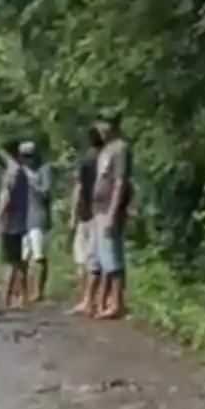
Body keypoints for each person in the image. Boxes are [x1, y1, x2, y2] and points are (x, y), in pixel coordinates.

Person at [88, 111, 130, 319]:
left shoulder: (120, 149)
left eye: (103, 126)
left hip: (108, 209)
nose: (100, 130)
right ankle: (103, 301)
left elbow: (120, 182)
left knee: (112, 257)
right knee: (100, 257)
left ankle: (118, 304)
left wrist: (113, 213)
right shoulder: (106, 149)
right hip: (98, 208)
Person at [0, 140, 29, 309]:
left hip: (10, 223)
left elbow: (6, 199)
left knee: (11, 263)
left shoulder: (12, 173)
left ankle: (6, 299)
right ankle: (22, 297)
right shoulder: (21, 172)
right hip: (19, 221)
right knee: (18, 262)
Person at [68, 127, 104, 315]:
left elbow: (79, 189)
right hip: (103, 214)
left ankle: (87, 299)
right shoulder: (107, 159)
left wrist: (73, 215)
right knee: (100, 258)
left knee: (83, 259)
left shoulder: (86, 161)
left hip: (86, 214)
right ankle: (99, 299)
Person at [19, 141, 52, 303]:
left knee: (39, 257)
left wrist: (31, 182)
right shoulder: (20, 171)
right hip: (22, 219)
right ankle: (24, 291)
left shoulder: (43, 170)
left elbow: (46, 193)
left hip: (38, 216)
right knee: (22, 259)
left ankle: (38, 291)